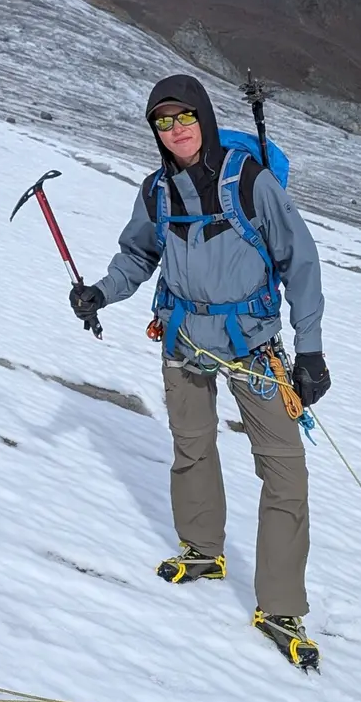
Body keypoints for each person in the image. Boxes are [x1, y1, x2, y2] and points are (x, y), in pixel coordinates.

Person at [68, 74, 331, 668]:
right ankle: (203, 549)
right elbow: (138, 254)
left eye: (184, 117)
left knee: (285, 471)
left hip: (254, 346)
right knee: (192, 448)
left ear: (205, 118)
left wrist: (310, 349)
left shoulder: (251, 182)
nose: (176, 129)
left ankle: (280, 606)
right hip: (183, 339)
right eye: (163, 122)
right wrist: (102, 294)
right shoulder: (158, 190)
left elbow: (300, 261)